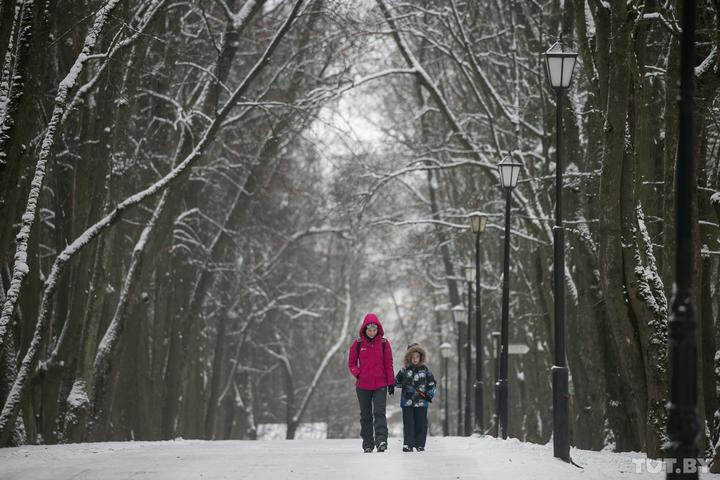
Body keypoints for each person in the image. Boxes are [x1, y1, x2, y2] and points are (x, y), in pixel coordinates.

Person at [348, 313, 395, 453]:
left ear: (378, 329)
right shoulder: (358, 344)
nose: (372, 332)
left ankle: (381, 441)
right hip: (363, 386)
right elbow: (351, 363)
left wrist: (391, 382)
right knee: (366, 415)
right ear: (365, 329)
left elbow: (389, 364)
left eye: (374, 330)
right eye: (369, 330)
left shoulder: (384, 343)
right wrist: (358, 373)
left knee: (379, 413)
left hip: (380, 385)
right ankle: (368, 443)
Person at [394, 343, 436, 452]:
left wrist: (430, 394)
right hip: (407, 401)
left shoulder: (425, 370)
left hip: (421, 401)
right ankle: (408, 444)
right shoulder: (404, 370)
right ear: (408, 357)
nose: (415, 359)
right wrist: (403, 382)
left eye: (417, 357)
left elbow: (432, 384)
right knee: (408, 423)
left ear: (421, 357)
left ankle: (420, 444)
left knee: (421, 423)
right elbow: (395, 382)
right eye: (412, 357)